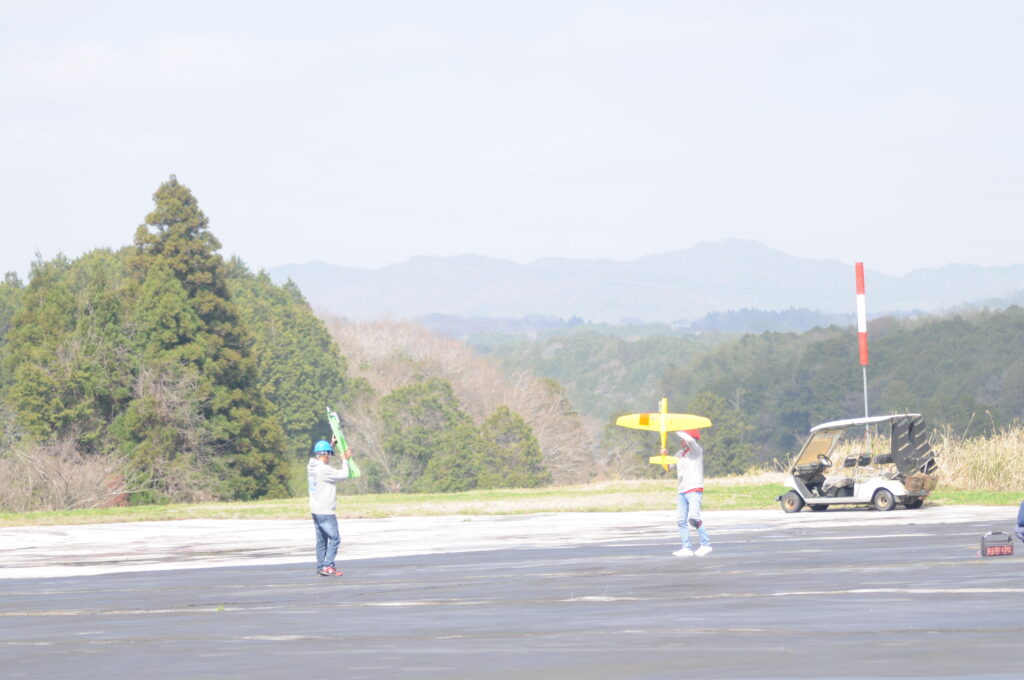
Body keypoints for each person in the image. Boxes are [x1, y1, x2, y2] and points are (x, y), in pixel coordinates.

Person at [663, 429, 712, 557]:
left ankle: (706, 544)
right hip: (682, 490)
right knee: (681, 520)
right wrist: (664, 457)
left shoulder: (696, 450)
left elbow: (690, 440)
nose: (681, 440)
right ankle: (687, 548)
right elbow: (668, 467)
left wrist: (676, 430)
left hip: (694, 488)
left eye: (682, 438)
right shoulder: (680, 454)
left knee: (694, 518)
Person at [307, 437, 353, 576]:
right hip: (326, 511)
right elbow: (345, 474)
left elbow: (323, 459)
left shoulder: (311, 467)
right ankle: (328, 566)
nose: (330, 457)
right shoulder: (324, 470)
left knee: (321, 541)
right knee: (335, 538)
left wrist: (331, 445)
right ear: (325, 454)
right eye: (329, 454)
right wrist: (345, 460)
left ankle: (321, 567)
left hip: (315, 510)